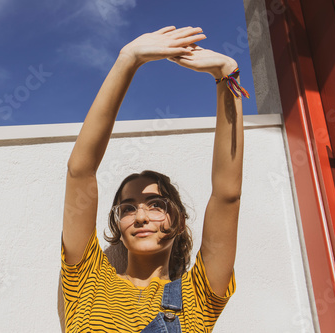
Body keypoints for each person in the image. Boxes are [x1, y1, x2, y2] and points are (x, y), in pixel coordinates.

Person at [61, 26, 246, 332]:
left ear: (180, 220)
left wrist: (228, 75)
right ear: (118, 227)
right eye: (128, 208)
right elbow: (80, 171)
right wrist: (128, 59)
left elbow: (227, 194)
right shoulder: (87, 280)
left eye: (156, 204)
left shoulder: (198, 295)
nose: (140, 217)